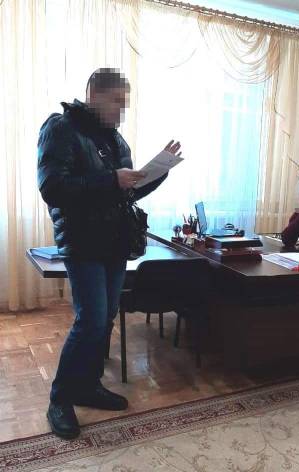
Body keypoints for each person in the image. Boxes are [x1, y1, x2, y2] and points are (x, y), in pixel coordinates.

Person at [37, 68, 182, 439]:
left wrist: (158, 172)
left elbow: (126, 192)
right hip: (83, 242)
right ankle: (60, 399)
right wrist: (111, 179)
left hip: (115, 241)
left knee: (104, 320)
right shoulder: (60, 128)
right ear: (93, 94)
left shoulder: (116, 140)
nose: (121, 110)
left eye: (125, 103)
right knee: (90, 320)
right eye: (116, 101)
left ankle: (88, 385)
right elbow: (52, 187)